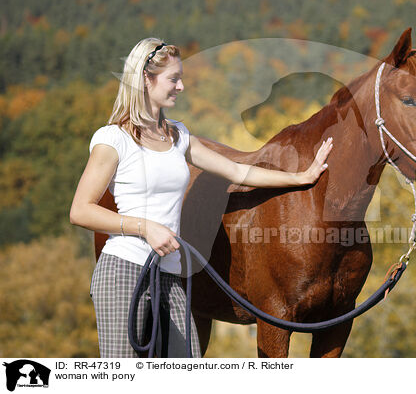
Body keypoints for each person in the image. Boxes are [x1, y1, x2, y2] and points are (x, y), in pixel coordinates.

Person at [69, 37, 333, 358]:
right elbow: (81, 211)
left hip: (171, 275)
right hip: (124, 272)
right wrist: (145, 228)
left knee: (188, 372)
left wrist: (302, 177)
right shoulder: (113, 139)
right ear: (145, 80)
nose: (180, 86)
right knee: (125, 378)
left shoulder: (178, 136)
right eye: (173, 79)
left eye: (181, 78)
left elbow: (239, 173)